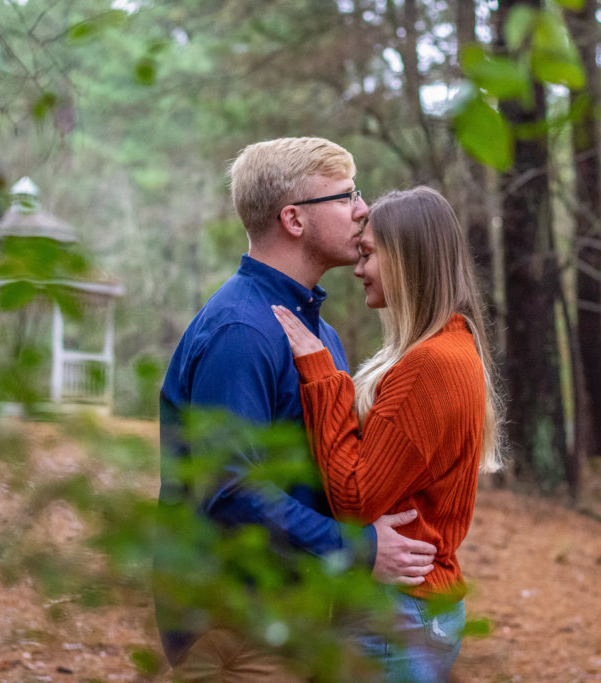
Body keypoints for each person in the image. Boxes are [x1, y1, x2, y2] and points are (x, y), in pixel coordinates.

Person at [158, 138, 438, 681]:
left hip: (296, 620)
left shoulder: (317, 331)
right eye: (345, 196)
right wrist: (357, 548)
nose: (362, 209)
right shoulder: (242, 331)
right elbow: (229, 491)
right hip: (236, 629)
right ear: (293, 219)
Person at [272, 186, 504, 681]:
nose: (358, 269)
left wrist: (321, 376)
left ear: (407, 259)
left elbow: (356, 496)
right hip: (418, 603)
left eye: (369, 253)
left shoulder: (431, 364)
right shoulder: (452, 344)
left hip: (400, 609)